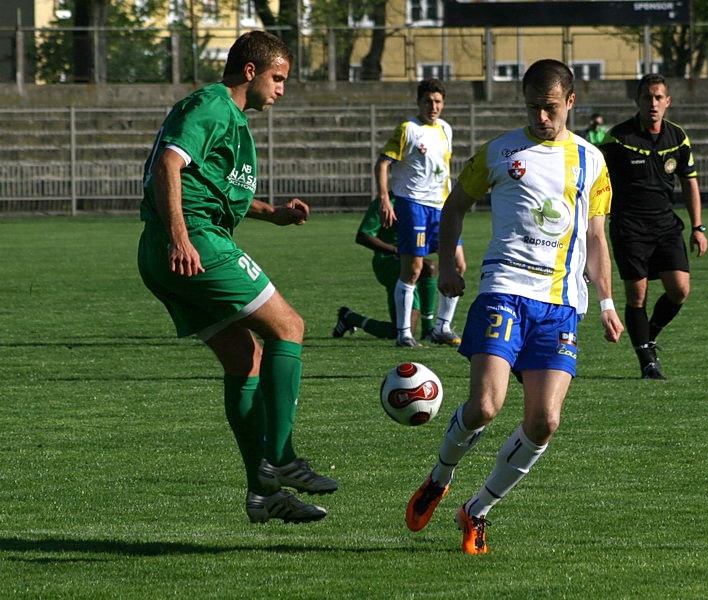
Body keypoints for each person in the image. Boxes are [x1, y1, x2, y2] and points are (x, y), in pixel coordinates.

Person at [404, 59, 624, 555]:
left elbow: (595, 237)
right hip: (504, 289)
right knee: (485, 406)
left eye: (550, 108)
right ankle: (440, 478)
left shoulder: (593, 161)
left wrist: (607, 301)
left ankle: (475, 510)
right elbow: (453, 206)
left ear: (571, 102)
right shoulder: (500, 152)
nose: (541, 118)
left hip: (562, 305)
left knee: (545, 421)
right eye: (533, 108)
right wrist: (450, 268)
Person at [137, 31, 337, 525]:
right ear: (251, 71)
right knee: (289, 326)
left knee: (244, 359)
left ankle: (263, 493)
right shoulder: (210, 105)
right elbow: (168, 164)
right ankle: (283, 456)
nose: (282, 89)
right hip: (194, 243)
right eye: (278, 78)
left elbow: (215, 187)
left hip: (165, 252)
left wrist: (275, 214)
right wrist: (182, 238)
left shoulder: (233, 122)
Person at [599, 73, 708, 380]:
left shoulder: (677, 137)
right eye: (647, 97)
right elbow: (598, 181)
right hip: (629, 226)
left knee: (680, 289)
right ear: (638, 101)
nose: (653, 103)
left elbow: (690, 183)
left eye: (659, 97)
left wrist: (698, 227)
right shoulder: (618, 138)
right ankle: (647, 361)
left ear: (667, 101)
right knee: (637, 297)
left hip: (665, 226)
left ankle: (650, 334)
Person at [375, 78, 465, 348]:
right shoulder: (408, 129)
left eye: (438, 101)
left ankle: (442, 327)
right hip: (412, 204)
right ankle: (404, 334)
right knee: (413, 270)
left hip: (441, 207)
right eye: (428, 101)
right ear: (419, 102)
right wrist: (384, 199)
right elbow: (383, 164)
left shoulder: (446, 130)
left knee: (458, 265)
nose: (433, 106)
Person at [332, 196, 443, 341]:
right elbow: (363, 235)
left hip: (411, 260)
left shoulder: (421, 200)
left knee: (429, 267)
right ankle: (350, 318)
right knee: (402, 332)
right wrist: (396, 250)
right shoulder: (386, 202)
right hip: (388, 261)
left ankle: (428, 329)